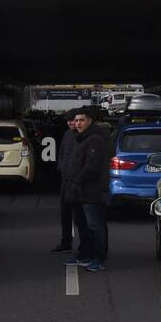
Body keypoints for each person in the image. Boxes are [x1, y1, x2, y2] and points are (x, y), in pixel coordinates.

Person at [62, 106, 110, 272]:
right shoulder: (79, 137)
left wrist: (76, 180)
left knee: (95, 225)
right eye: (76, 121)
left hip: (91, 191)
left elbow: (92, 167)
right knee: (83, 225)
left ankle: (99, 257)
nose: (78, 123)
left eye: (82, 120)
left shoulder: (95, 139)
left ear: (90, 121)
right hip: (79, 192)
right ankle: (84, 254)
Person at [50, 112, 79, 253]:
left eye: (72, 120)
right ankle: (66, 241)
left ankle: (87, 247)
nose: (70, 123)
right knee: (65, 213)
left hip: (78, 181)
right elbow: (62, 153)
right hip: (66, 180)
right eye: (68, 121)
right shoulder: (67, 134)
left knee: (81, 216)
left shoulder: (84, 136)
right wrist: (61, 168)